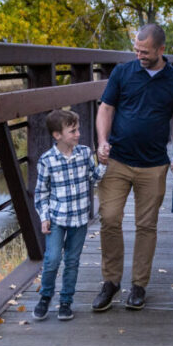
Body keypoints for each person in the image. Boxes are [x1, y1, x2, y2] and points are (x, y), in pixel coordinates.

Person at [92, 24, 173, 312]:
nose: (139, 55)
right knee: (109, 218)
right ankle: (110, 282)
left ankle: (138, 285)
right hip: (117, 159)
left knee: (146, 226)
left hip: (154, 164)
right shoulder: (123, 73)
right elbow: (106, 108)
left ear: (161, 50)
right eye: (136, 50)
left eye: (145, 52)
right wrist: (102, 141)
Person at [33, 109, 106, 322]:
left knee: (72, 261)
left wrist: (103, 164)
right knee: (53, 258)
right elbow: (41, 192)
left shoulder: (84, 153)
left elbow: (93, 178)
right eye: (73, 131)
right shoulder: (47, 160)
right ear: (57, 135)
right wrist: (44, 217)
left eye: (78, 129)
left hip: (79, 219)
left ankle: (66, 301)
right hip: (57, 218)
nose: (78, 134)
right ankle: (45, 296)